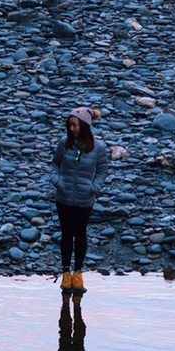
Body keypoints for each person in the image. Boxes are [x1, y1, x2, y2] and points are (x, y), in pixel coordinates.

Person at [50, 106, 109, 290]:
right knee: (67, 233)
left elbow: (102, 171)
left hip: (85, 198)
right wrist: (57, 181)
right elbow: (55, 164)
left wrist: (95, 188)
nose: (72, 129)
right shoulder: (64, 143)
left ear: (85, 125)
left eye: (75, 125)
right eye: (70, 126)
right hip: (64, 196)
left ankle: (79, 272)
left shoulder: (99, 148)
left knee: (80, 233)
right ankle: (66, 272)